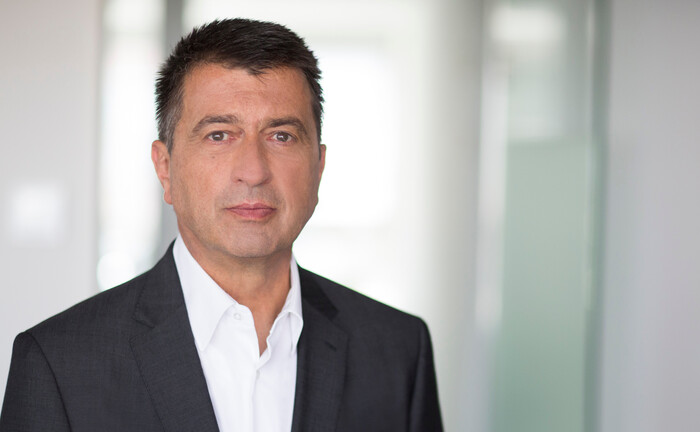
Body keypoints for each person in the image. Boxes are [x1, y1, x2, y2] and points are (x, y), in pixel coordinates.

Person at [0, 18, 442, 432]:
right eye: (219, 135)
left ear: (319, 167)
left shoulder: (399, 351)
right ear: (165, 167)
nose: (253, 171)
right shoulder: (58, 364)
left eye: (281, 136)